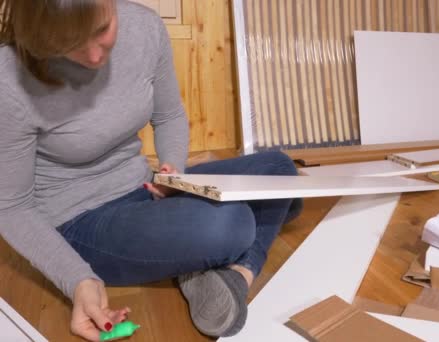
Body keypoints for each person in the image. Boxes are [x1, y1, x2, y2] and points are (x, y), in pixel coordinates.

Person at [0, 0, 301, 340]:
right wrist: (78, 280)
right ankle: (205, 258)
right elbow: (12, 207)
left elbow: (169, 115)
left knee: (278, 168)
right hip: (82, 220)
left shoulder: (144, 28)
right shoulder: (9, 78)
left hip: (145, 186)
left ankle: (236, 273)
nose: (95, 57)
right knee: (235, 221)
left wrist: (175, 173)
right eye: (68, 45)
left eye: (102, 31)